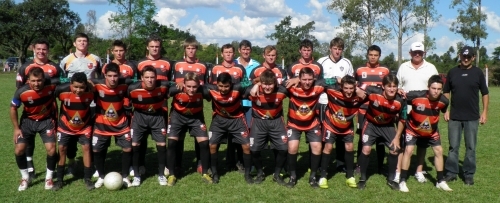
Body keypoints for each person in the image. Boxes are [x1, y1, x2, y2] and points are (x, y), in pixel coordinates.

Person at [15, 39, 64, 180]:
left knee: (50, 142)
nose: (41, 52)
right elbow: (19, 89)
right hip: (30, 109)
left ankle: (50, 170)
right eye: (38, 49)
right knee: (28, 139)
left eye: (44, 49)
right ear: (33, 49)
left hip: (49, 110)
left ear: (48, 50)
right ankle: (29, 165)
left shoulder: (55, 67)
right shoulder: (25, 67)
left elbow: (62, 82)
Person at [443, 46, 489, 186]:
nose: (466, 59)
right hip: (455, 117)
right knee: (453, 147)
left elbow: (485, 93)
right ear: (460, 56)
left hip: (472, 117)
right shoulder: (452, 72)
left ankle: (469, 174)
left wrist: (485, 111)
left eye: (469, 57)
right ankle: (451, 172)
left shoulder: (478, 73)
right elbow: (446, 92)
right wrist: (446, 109)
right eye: (464, 56)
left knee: (471, 147)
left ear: (473, 58)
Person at [398, 75, 452, 192]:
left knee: (439, 151)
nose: (436, 91)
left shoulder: (444, 100)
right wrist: (399, 90)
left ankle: (440, 181)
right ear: (428, 87)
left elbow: (443, 108)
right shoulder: (416, 96)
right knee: (409, 150)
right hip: (413, 129)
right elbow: (401, 96)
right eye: (433, 88)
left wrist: (446, 112)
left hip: (431, 131)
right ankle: (402, 181)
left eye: (438, 89)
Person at [59, 33, 101, 177]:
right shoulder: (66, 60)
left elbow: (100, 79)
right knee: (69, 134)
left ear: (88, 43)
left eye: (85, 41)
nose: (82, 43)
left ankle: (92, 164)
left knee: (90, 135)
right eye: (79, 41)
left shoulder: (95, 59)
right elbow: (61, 80)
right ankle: (71, 162)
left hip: (91, 103)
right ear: (74, 43)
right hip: (70, 103)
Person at [10, 67, 59, 191]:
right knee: (19, 150)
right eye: (33, 81)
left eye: (39, 80)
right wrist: (16, 129)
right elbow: (13, 108)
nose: (36, 83)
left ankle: (49, 178)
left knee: (52, 150)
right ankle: (25, 177)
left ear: (44, 80)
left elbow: (70, 82)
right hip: (28, 122)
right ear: (28, 80)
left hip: (46, 121)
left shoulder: (52, 86)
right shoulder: (21, 92)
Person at [396, 41, 438, 183]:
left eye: (420, 52)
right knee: (403, 142)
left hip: (425, 112)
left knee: (422, 143)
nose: (417, 54)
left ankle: (419, 171)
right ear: (410, 53)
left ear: (424, 53)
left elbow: (436, 88)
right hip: (406, 110)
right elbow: (397, 85)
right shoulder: (403, 67)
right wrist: (398, 89)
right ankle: (398, 170)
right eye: (415, 52)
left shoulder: (431, 68)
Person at [355, 74, 406, 190]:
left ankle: (391, 179)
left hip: (387, 125)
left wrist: (397, 137)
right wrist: (357, 89)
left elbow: (402, 120)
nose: (392, 89)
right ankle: (362, 179)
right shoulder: (373, 91)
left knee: (394, 149)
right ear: (383, 87)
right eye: (389, 86)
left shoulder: (401, 99)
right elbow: (355, 84)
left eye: (394, 86)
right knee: (366, 149)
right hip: (371, 124)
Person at [135, 35, 173, 177]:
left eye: (157, 46)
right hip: (143, 103)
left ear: (160, 47)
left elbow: (170, 82)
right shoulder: (140, 63)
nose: (155, 49)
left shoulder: (168, 63)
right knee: (142, 137)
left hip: (161, 103)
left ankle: (164, 166)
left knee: (162, 137)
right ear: (147, 47)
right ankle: (141, 164)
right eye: (152, 46)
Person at [203, 72, 252, 183]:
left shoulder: (238, 87)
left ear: (231, 84)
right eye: (220, 86)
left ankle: (248, 175)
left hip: (237, 119)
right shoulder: (211, 88)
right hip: (219, 120)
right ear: (217, 84)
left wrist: (255, 85)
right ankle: (215, 173)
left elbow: (251, 82)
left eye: (226, 86)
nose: (223, 89)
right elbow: (201, 85)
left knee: (247, 146)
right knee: (212, 145)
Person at [91, 63, 134, 188]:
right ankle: (101, 176)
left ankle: (125, 177)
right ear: (105, 75)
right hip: (101, 124)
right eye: (110, 76)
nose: (113, 79)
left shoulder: (124, 85)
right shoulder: (97, 85)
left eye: (115, 76)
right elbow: (87, 82)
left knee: (127, 148)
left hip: (121, 123)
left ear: (119, 75)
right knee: (96, 149)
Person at [166, 72, 212, 186]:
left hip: (196, 117)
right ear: (184, 84)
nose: (191, 89)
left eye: (194, 87)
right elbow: (165, 94)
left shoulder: (203, 91)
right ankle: (172, 174)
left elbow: (211, 98)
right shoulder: (176, 90)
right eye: (189, 86)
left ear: (199, 85)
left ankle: (205, 172)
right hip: (178, 117)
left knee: (204, 143)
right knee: (172, 143)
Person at [171, 37, 209, 175]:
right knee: (178, 138)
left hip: (196, 107)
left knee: (199, 138)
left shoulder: (203, 66)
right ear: (185, 49)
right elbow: (172, 84)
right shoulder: (177, 65)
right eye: (188, 48)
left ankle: (200, 163)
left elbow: (206, 86)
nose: (191, 51)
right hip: (179, 106)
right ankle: (177, 164)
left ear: (196, 50)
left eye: (193, 48)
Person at [318, 75, 364, 189]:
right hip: (331, 125)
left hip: (347, 127)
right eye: (346, 88)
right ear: (341, 87)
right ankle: (323, 176)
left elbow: (375, 91)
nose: (348, 91)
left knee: (349, 147)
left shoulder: (359, 96)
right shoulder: (332, 90)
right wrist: (335, 79)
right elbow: (320, 81)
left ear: (355, 87)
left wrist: (358, 89)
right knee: (328, 147)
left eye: (351, 88)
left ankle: (350, 176)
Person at [127, 66, 169, 187]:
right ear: (141, 78)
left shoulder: (163, 87)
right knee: (135, 145)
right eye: (147, 77)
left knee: (161, 145)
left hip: (157, 117)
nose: (150, 80)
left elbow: (175, 87)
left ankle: (161, 174)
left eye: (152, 77)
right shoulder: (133, 89)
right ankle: (136, 175)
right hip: (139, 117)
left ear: (156, 78)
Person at [52, 72, 95, 191]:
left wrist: (91, 83)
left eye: (81, 87)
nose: (78, 90)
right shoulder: (61, 90)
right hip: (65, 126)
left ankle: (87, 179)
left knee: (86, 148)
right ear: (70, 84)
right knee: (62, 149)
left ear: (86, 85)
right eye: (75, 86)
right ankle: (59, 180)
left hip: (84, 126)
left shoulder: (91, 91)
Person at [208, 43, 247, 172]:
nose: (228, 54)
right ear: (222, 54)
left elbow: (245, 83)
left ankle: (239, 162)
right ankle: (214, 164)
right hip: (219, 110)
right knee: (217, 140)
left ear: (234, 53)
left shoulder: (240, 68)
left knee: (237, 140)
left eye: (230, 52)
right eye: (226, 52)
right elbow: (211, 87)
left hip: (235, 108)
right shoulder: (215, 68)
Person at [317, 37, 354, 173]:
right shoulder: (322, 61)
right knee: (323, 133)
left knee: (340, 132)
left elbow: (351, 81)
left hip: (341, 104)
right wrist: (334, 80)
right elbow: (318, 81)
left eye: (340, 49)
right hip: (323, 101)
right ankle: (320, 163)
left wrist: (343, 81)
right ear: (330, 48)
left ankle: (340, 162)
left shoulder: (347, 62)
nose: (337, 51)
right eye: (335, 48)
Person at [285, 67, 325, 188]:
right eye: (304, 79)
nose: (307, 82)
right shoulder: (292, 87)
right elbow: (274, 82)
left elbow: (332, 81)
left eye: (309, 79)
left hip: (312, 123)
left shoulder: (319, 86)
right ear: (299, 79)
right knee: (292, 147)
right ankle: (292, 176)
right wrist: (294, 79)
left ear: (314, 79)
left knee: (317, 147)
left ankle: (313, 177)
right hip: (294, 123)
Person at [246, 70, 289, 185]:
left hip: (276, 122)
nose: (267, 87)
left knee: (284, 149)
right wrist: (255, 85)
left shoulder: (282, 91)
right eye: (264, 84)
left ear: (275, 83)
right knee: (254, 150)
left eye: (270, 84)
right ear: (261, 83)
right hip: (258, 123)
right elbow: (242, 89)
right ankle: (260, 172)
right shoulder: (254, 91)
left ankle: (277, 174)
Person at [354, 45, 390, 175]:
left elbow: (389, 86)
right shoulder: (359, 70)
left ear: (379, 56)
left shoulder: (385, 70)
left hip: (379, 109)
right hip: (363, 108)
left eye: (375, 55)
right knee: (362, 137)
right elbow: (353, 86)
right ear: (367, 55)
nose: (373, 57)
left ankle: (380, 166)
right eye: (371, 55)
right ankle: (359, 165)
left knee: (381, 138)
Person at [234, 40, 260, 173]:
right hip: (235, 103)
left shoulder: (256, 65)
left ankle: (247, 161)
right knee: (237, 132)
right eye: (243, 49)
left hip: (250, 104)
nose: (245, 51)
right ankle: (237, 160)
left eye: (248, 49)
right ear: (239, 50)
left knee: (248, 131)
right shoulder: (233, 63)